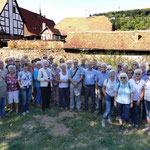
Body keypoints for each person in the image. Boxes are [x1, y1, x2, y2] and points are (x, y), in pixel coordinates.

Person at [142, 70, 150, 135]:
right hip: (146, 99)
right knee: (147, 114)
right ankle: (148, 127)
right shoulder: (147, 81)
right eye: (149, 74)